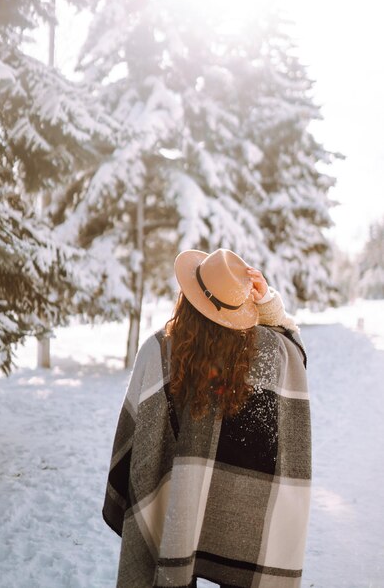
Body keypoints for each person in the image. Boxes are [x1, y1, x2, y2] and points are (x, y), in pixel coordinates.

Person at [102, 248, 311, 588]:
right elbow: (296, 350)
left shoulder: (159, 350)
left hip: (179, 503)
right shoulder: (273, 353)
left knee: (174, 556)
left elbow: (139, 437)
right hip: (243, 516)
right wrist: (270, 305)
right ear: (243, 307)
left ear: (187, 296)